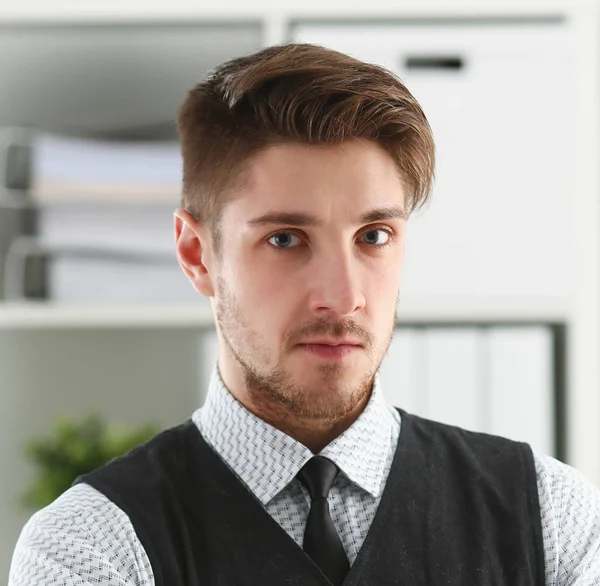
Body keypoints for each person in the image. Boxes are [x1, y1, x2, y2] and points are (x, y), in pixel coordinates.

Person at [8, 42, 600, 586]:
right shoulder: (93, 546)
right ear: (196, 254)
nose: (343, 297)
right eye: (286, 239)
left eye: (373, 235)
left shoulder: (551, 518)